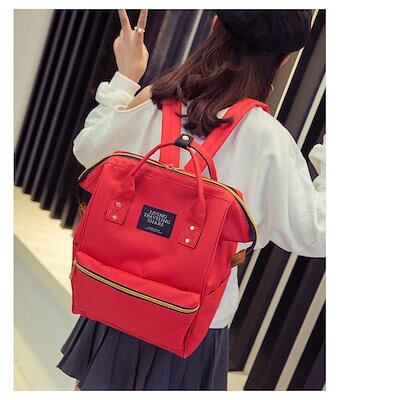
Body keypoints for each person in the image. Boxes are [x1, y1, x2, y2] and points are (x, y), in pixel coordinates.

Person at [57, 9, 326, 390]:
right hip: (190, 327)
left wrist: (127, 78)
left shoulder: (154, 99)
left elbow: (88, 149)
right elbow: (317, 234)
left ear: (214, 25)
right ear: (283, 60)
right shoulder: (268, 141)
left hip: (116, 298)